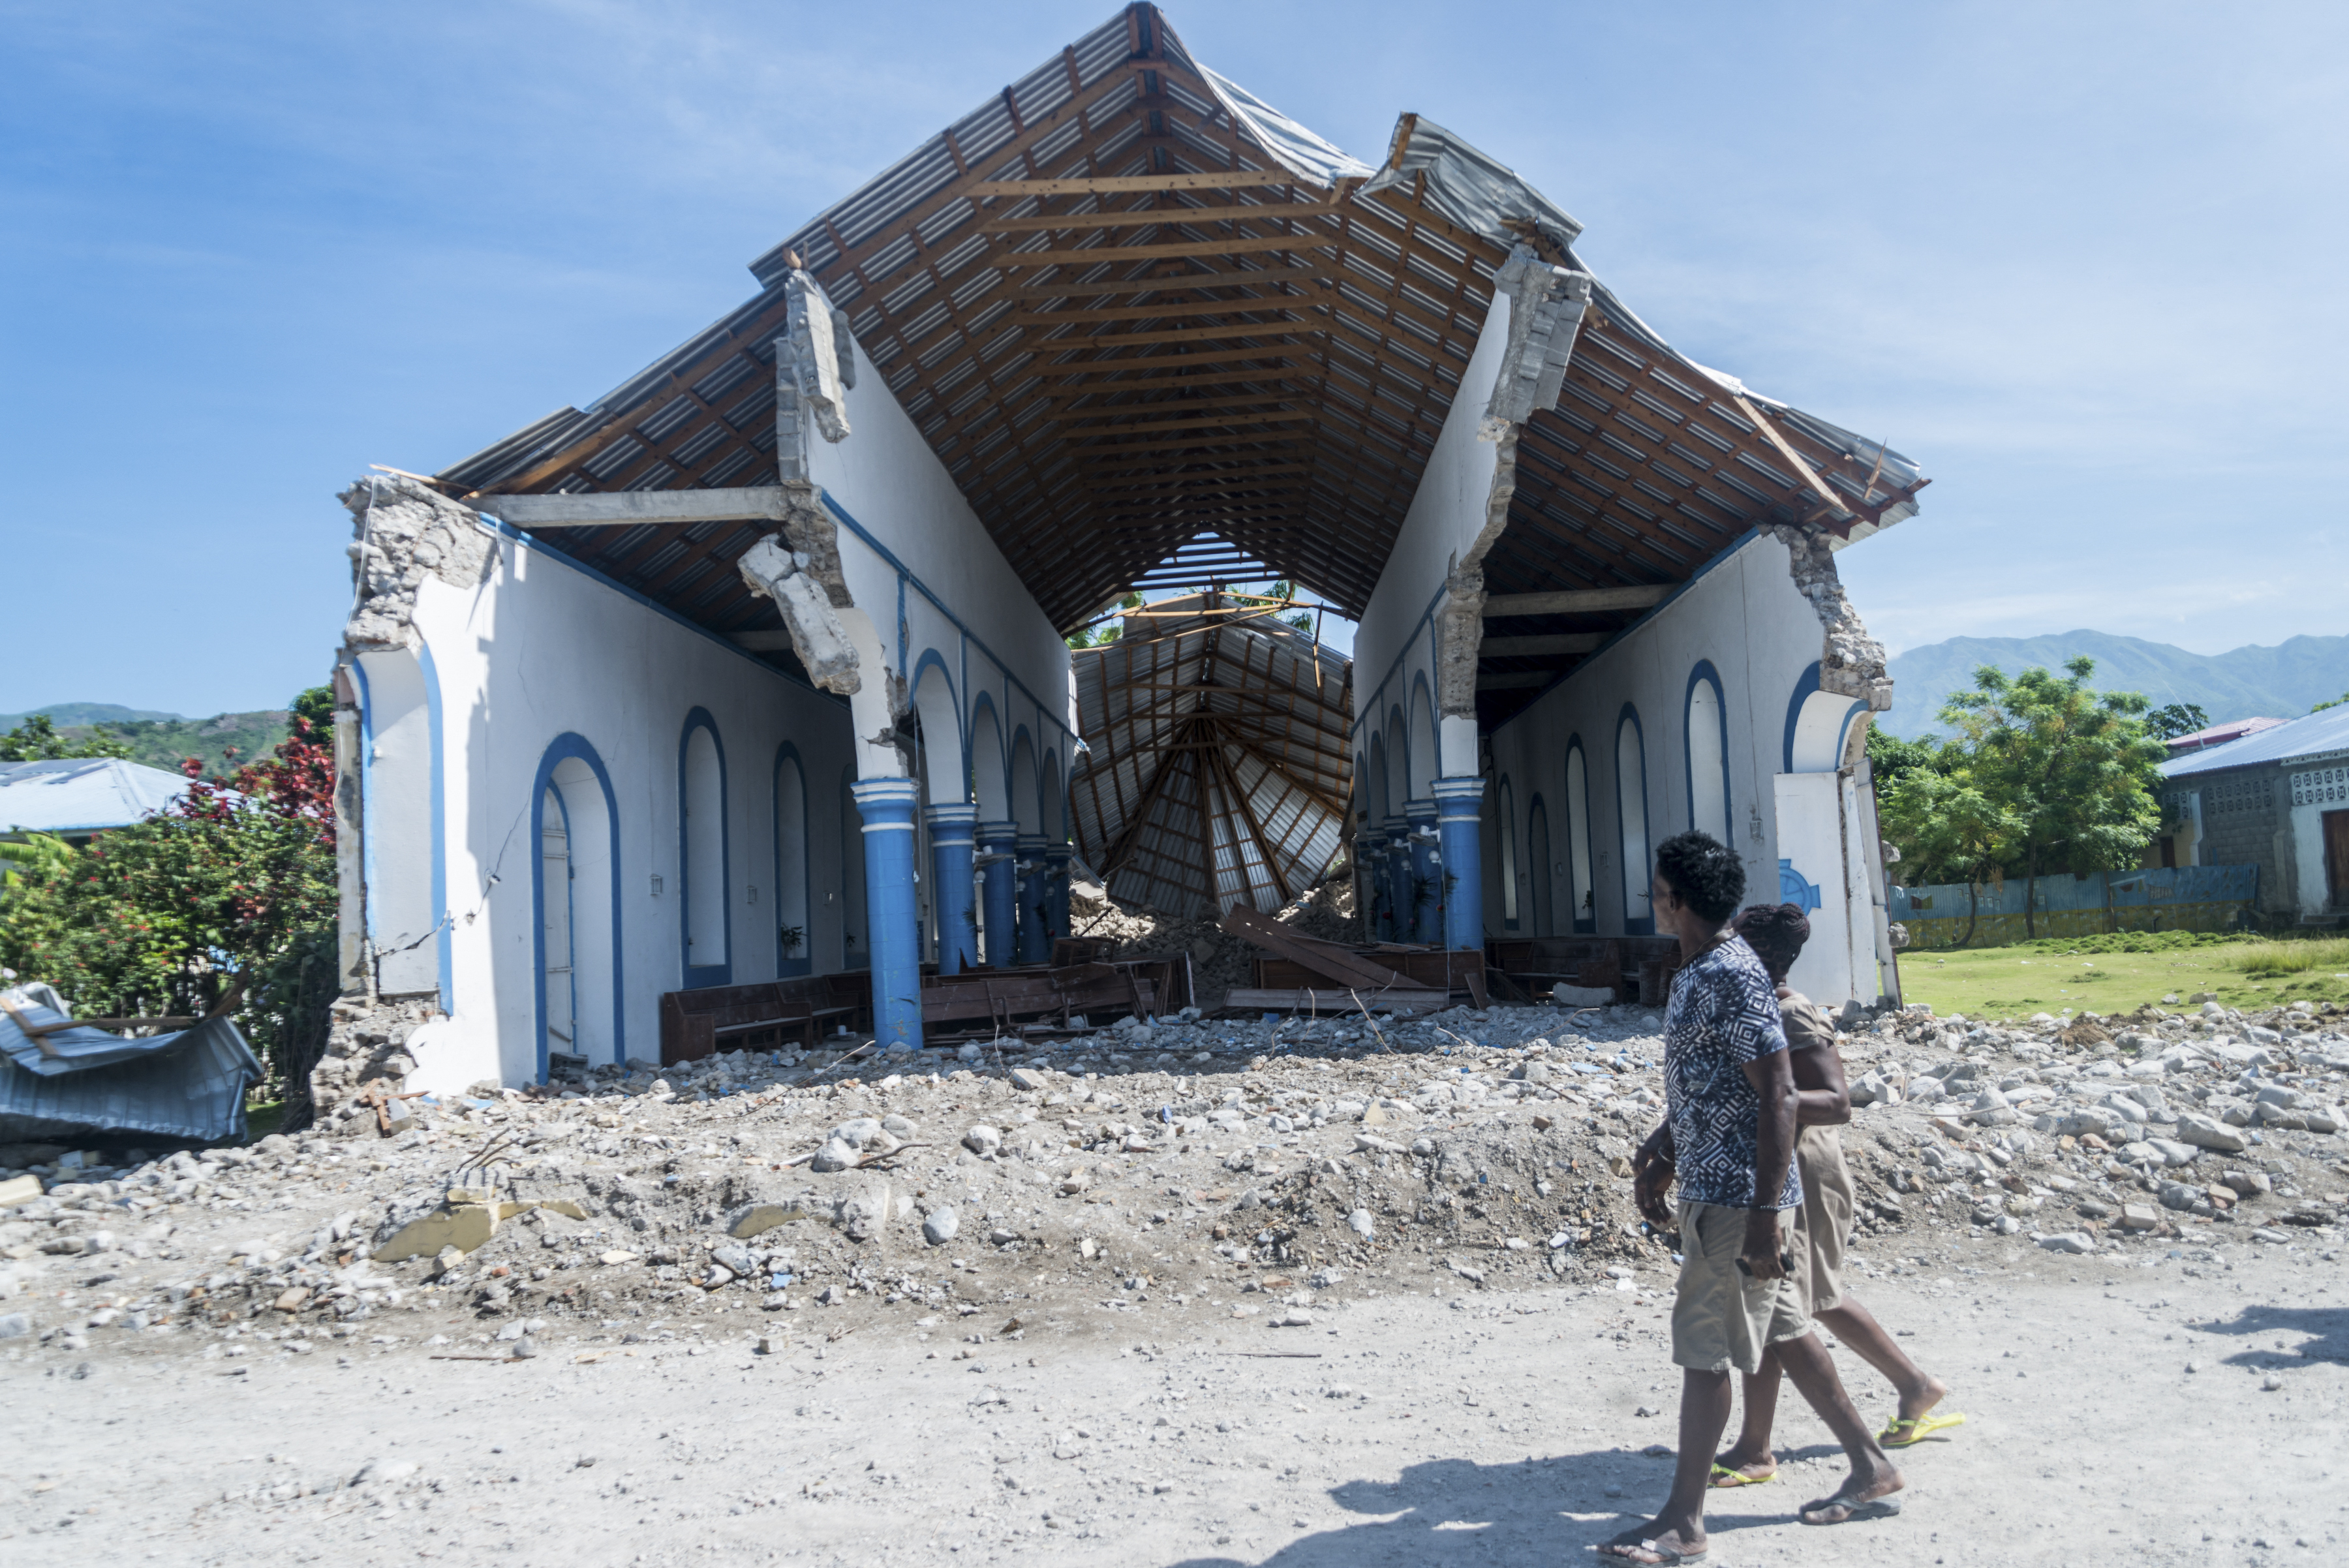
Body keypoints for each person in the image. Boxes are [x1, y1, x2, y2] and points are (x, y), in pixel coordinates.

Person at [1599, 833, 1902, 1565]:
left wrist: (1767, 1216)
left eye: (1656, 890)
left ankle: (1683, 1520)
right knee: (1788, 1332)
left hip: (1738, 1200)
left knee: (1705, 1352)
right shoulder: (1703, 971)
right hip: (1717, 1185)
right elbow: (1717, 1082)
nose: (1653, 901)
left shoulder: (1729, 976)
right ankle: (1871, 1465)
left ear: (1675, 901)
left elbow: (1778, 1097)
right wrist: (1665, 1146)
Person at [1706, 903, 1960, 1488]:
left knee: (1779, 1300)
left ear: (1764, 954)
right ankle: (1915, 1386)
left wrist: (1770, 1102)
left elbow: (1838, 1100)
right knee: (1807, 1297)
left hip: (1805, 1168)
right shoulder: (1757, 1005)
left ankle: (1756, 1447)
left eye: (1739, 944)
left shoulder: (1792, 1012)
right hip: (1779, 1164)